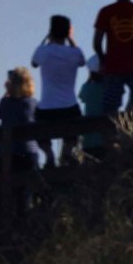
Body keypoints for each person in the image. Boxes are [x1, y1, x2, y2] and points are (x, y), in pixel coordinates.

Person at [31, 15, 85, 168]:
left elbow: (34, 63)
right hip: (69, 106)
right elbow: (82, 61)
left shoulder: (43, 51)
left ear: (51, 31)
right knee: (75, 132)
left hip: (47, 107)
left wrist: (46, 39)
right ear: (68, 32)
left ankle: (49, 155)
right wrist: (71, 39)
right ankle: (67, 152)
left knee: (38, 130)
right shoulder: (74, 53)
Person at [0, 67, 38, 173]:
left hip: (5, 153)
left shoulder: (4, 103)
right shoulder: (32, 103)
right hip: (27, 152)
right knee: (28, 187)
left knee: (7, 187)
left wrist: (8, 92)